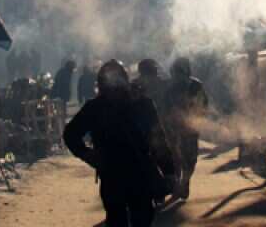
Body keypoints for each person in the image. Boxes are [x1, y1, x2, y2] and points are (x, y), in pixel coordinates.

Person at [64, 60, 175, 226]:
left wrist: (88, 155)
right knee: (131, 219)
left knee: (128, 219)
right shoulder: (102, 107)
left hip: (122, 174)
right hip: (124, 175)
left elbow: (157, 140)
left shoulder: (137, 104)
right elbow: (70, 134)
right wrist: (89, 155)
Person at [162, 57, 209, 200]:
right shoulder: (169, 86)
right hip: (174, 128)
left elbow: (204, 105)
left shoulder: (196, 85)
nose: (178, 74)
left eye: (181, 70)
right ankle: (178, 183)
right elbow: (164, 107)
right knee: (175, 158)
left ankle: (185, 181)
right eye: (177, 70)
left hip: (191, 128)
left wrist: (196, 117)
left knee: (191, 159)